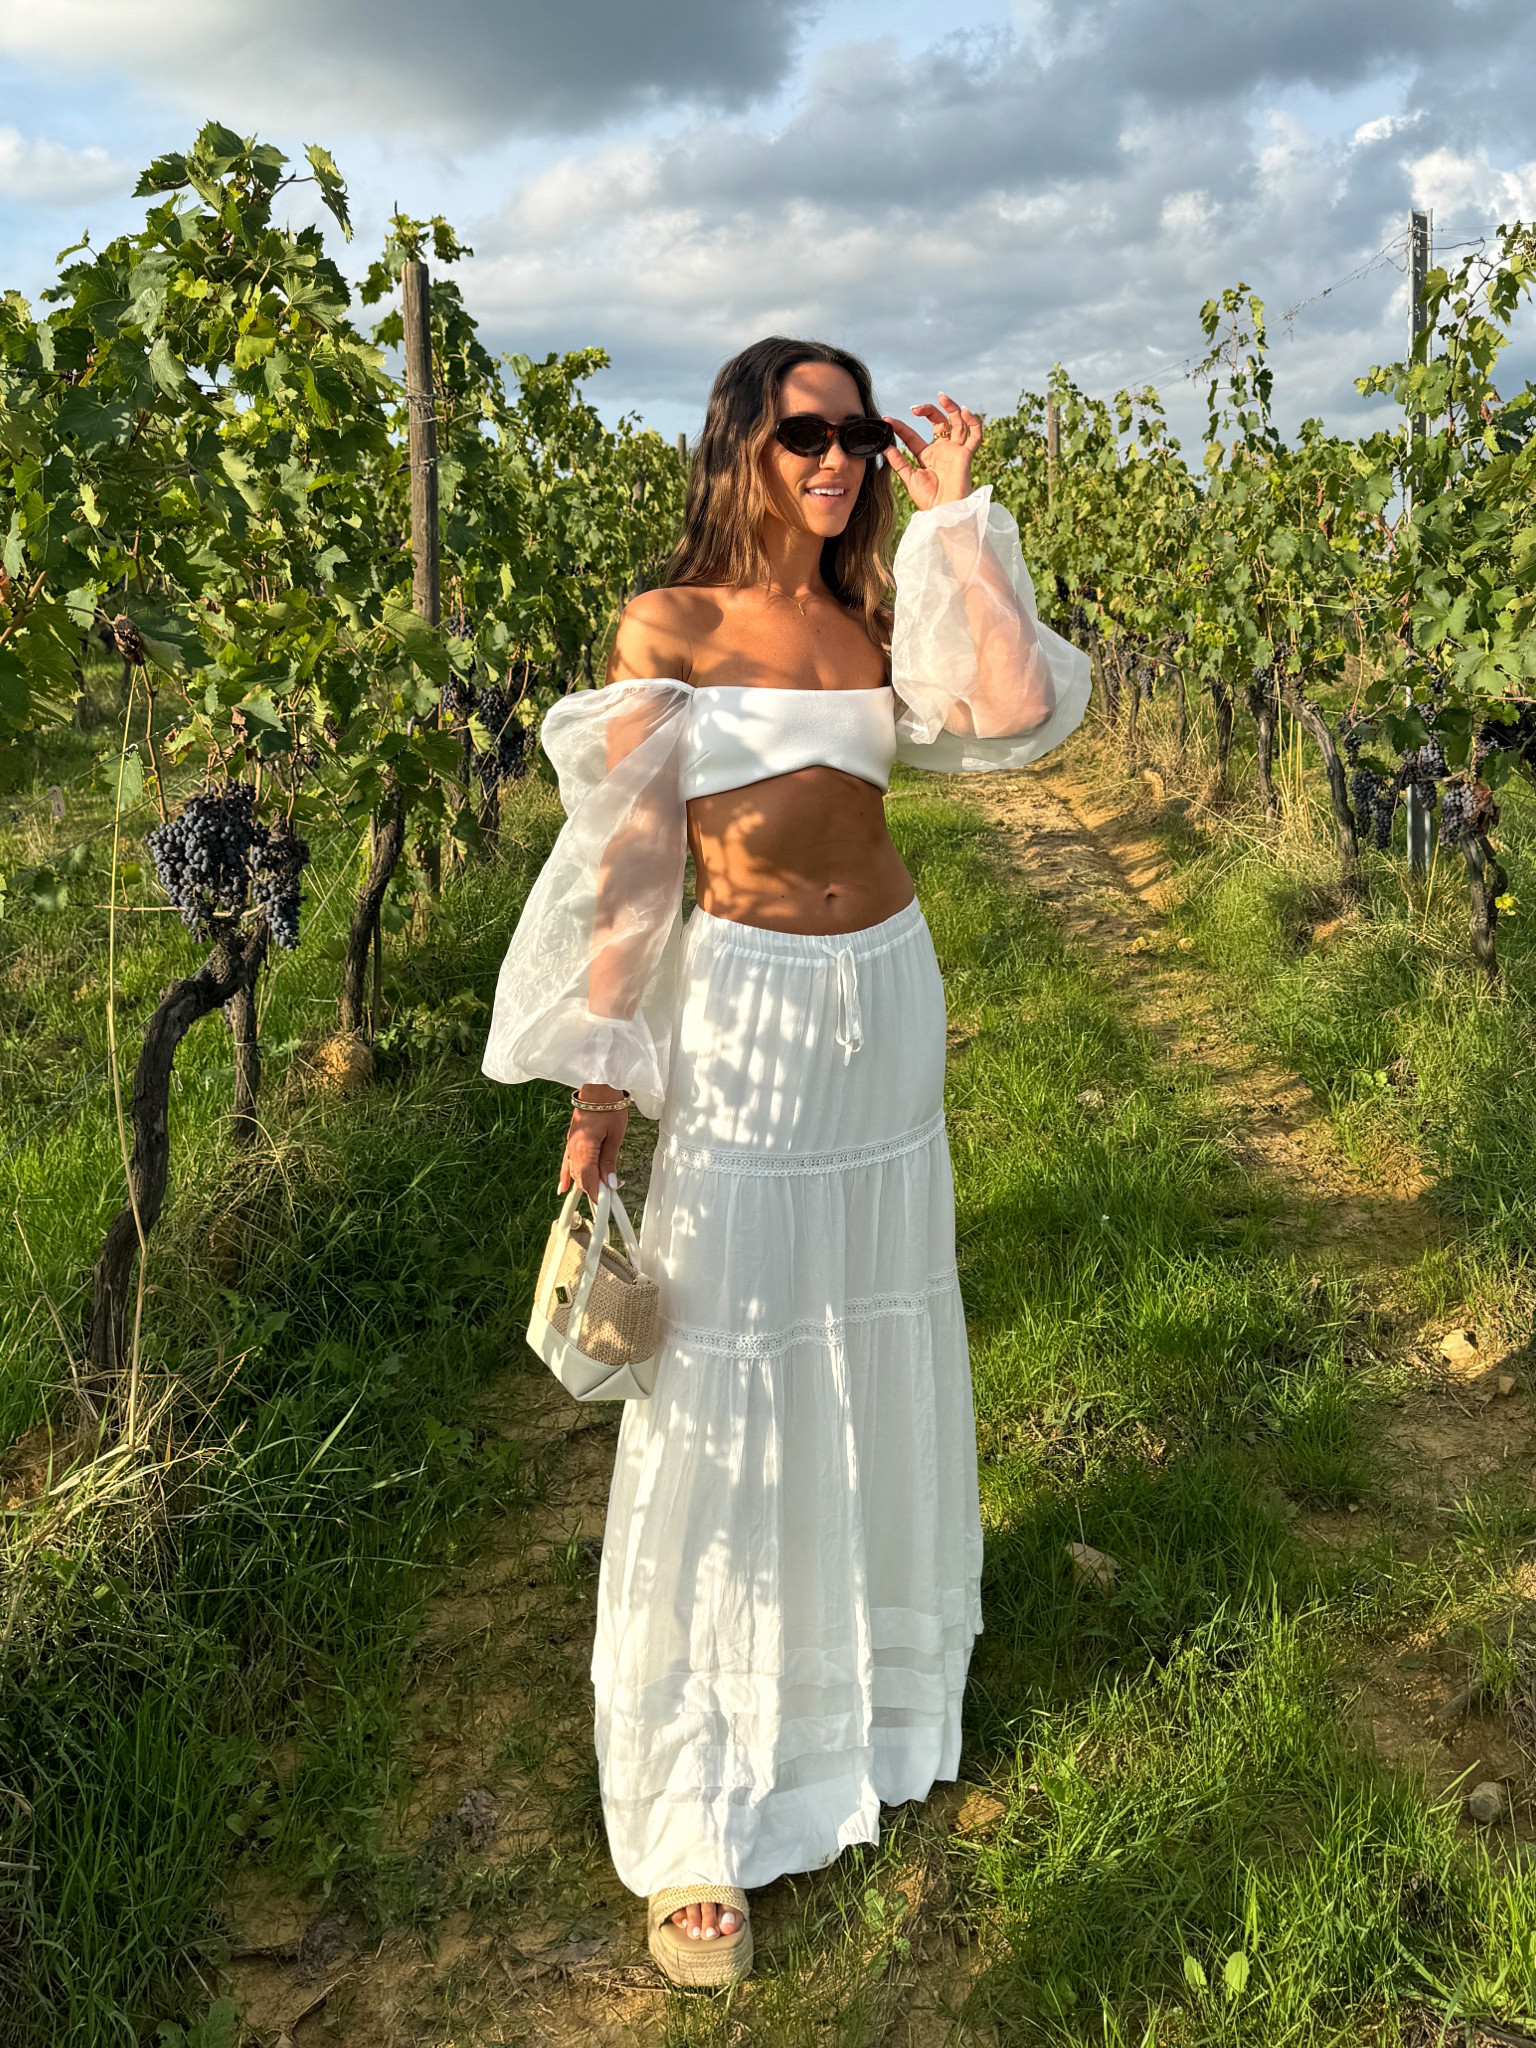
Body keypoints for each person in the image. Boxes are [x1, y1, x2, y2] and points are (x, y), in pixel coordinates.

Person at [482, 336, 1089, 1988]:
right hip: (741, 1011)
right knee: (733, 1362)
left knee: (870, 1328)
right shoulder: (665, 629)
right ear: (743, 442)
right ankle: (698, 1800)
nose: (834, 460)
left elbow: (1020, 715)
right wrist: (600, 1095)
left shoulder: (880, 612)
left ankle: (874, 1716)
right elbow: (627, 886)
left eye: (858, 434)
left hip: (881, 1001)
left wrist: (958, 517)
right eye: (805, 432)